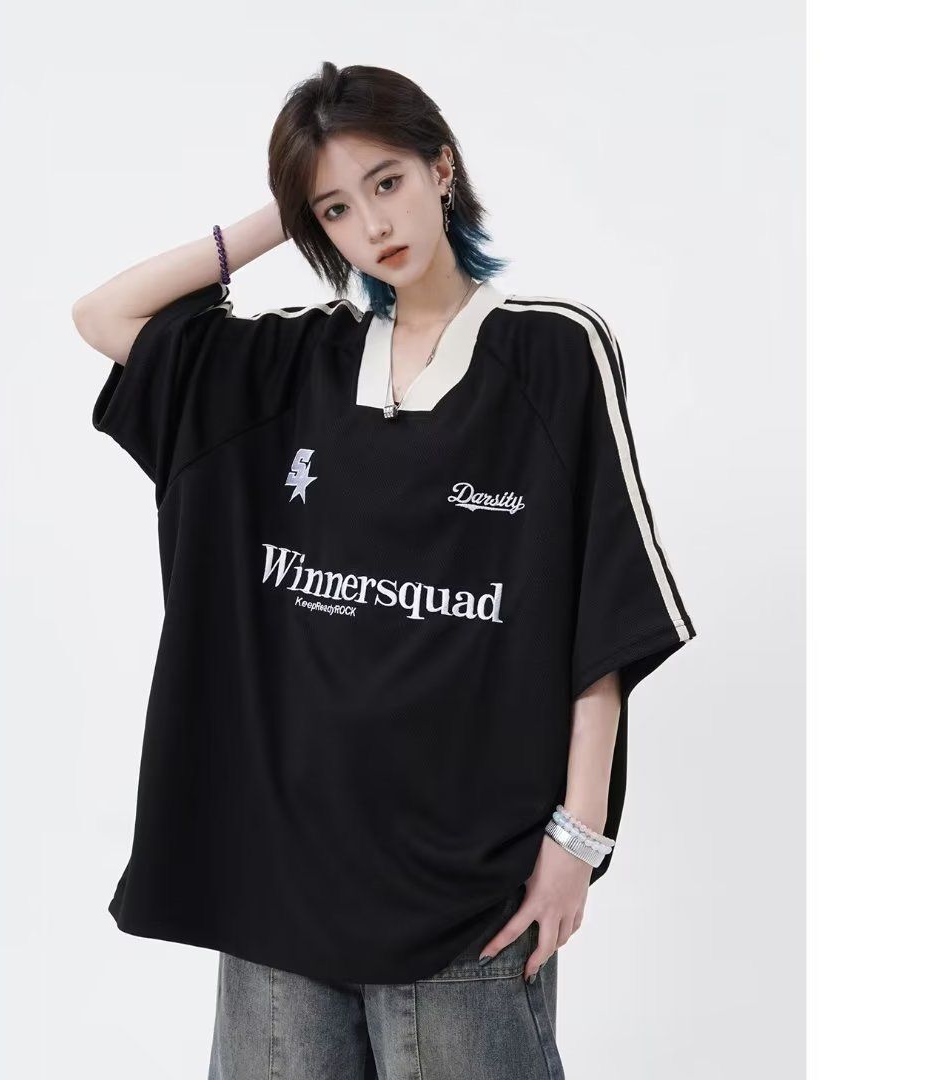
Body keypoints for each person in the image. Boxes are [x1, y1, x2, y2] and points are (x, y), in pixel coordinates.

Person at [72, 61, 696, 1080]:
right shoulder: (289, 366)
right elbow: (104, 319)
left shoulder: (552, 357)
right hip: (280, 880)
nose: (372, 223)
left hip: (470, 889)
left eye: (387, 182)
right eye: (335, 208)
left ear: (442, 169)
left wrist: (576, 843)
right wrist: (279, 217)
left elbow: (604, 617)